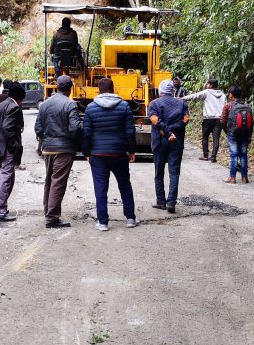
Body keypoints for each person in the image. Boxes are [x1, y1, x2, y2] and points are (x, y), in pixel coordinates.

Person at [82, 77, 137, 231]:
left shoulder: (91, 108)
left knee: (100, 188)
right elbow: (129, 131)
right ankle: (130, 218)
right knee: (125, 185)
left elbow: (86, 133)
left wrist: (86, 152)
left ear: (98, 90)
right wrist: (131, 150)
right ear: (114, 89)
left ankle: (103, 222)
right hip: (119, 153)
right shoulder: (124, 106)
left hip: (98, 155)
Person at [34, 75, 81, 228]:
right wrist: (73, 141)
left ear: (56, 87)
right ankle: (52, 218)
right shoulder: (70, 104)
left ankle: (48, 211)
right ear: (70, 88)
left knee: (49, 181)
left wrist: (47, 139)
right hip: (64, 149)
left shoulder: (45, 104)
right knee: (58, 182)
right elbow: (75, 128)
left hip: (48, 148)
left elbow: (38, 129)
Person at [149, 79, 190, 214]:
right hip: (176, 142)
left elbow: (154, 120)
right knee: (174, 172)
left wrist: (167, 131)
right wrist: (172, 131)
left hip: (160, 141)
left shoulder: (154, 104)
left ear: (160, 91)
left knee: (159, 172)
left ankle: (161, 201)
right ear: (172, 91)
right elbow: (185, 120)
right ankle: (171, 202)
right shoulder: (181, 103)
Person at [0, 82, 25, 222]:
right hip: (8, 148)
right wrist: (13, 146)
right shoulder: (14, 107)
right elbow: (7, 128)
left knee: (7, 177)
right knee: (6, 178)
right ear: (21, 97)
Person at [182, 79, 226, 162]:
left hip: (208, 119)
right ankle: (213, 157)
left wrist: (182, 98)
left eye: (208, 84)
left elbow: (195, 96)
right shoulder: (223, 95)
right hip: (218, 119)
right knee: (216, 138)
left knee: (205, 137)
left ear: (211, 85)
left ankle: (205, 155)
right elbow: (225, 108)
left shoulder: (207, 92)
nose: (206, 85)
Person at [221, 85, 254, 184]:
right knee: (243, 155)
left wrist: (228, 132)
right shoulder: (247, 106)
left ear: (231, 95)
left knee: (234, 155)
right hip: (245, 133)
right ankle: (244, 178)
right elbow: (252, 122)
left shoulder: (228, 106)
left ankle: (232, 178)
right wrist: (249, 135)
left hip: (233, 133)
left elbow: (222, 121)